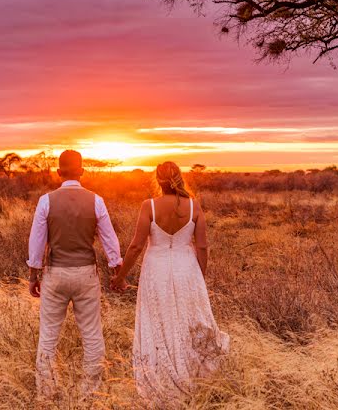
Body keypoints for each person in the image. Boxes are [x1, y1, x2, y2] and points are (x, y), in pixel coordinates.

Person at [111, 161, 229, 405]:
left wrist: (121, 276)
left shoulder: (149, 206)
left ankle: (162, 378)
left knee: (159, 320)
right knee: (189, 319)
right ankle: (194, 377)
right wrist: (199, 275)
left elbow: (135, 246)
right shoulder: (194, 206)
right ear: (180, 178)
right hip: (187, 269)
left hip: (157, 270)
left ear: (158, 179)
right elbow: (203, 246)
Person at [26, 149, 122, 402]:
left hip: (55, 273)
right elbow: (109, 239)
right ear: (81, 172)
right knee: (92, 334)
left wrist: (33, 274)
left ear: (59, 173)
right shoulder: (96, 200)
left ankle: (46, 395)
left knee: (48, 336)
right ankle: (90, 394)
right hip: (86, 274)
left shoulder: (46, 201)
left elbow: (36, 242)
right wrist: (116, 269)